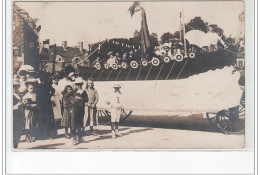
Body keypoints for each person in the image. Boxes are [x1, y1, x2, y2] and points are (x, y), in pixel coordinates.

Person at [36, 71, 57, 140]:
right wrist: (49, 95)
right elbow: (53, 90)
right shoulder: (47, 85)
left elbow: (38, 96)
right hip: (46, 103)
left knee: (43, 119)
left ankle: (43, 135)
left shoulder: (39, 86)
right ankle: (50, 134)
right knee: (48, 119)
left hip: (42, 104)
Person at [71, 77, 88, 145]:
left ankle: (80, 138)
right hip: (74, 109)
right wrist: (72, 101)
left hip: (81, 109)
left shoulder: (84, 91)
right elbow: (66, 96)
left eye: (80, 84)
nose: (79, 86)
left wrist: (81, 98)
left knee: (80, 124)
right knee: (74, 124)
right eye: (77, 84)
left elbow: (87, 99)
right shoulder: (73, 91)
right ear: (76, 84)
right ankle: (74, 138)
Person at [13, 78, 25, 148]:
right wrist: (17, 105)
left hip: (20, 115)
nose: (16, 87)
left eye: (17, 86)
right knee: (14, 131)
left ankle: (16, 144)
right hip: (13, 116)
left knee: (19, 130)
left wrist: (23, 103)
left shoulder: (19, 94)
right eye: (14, 86)